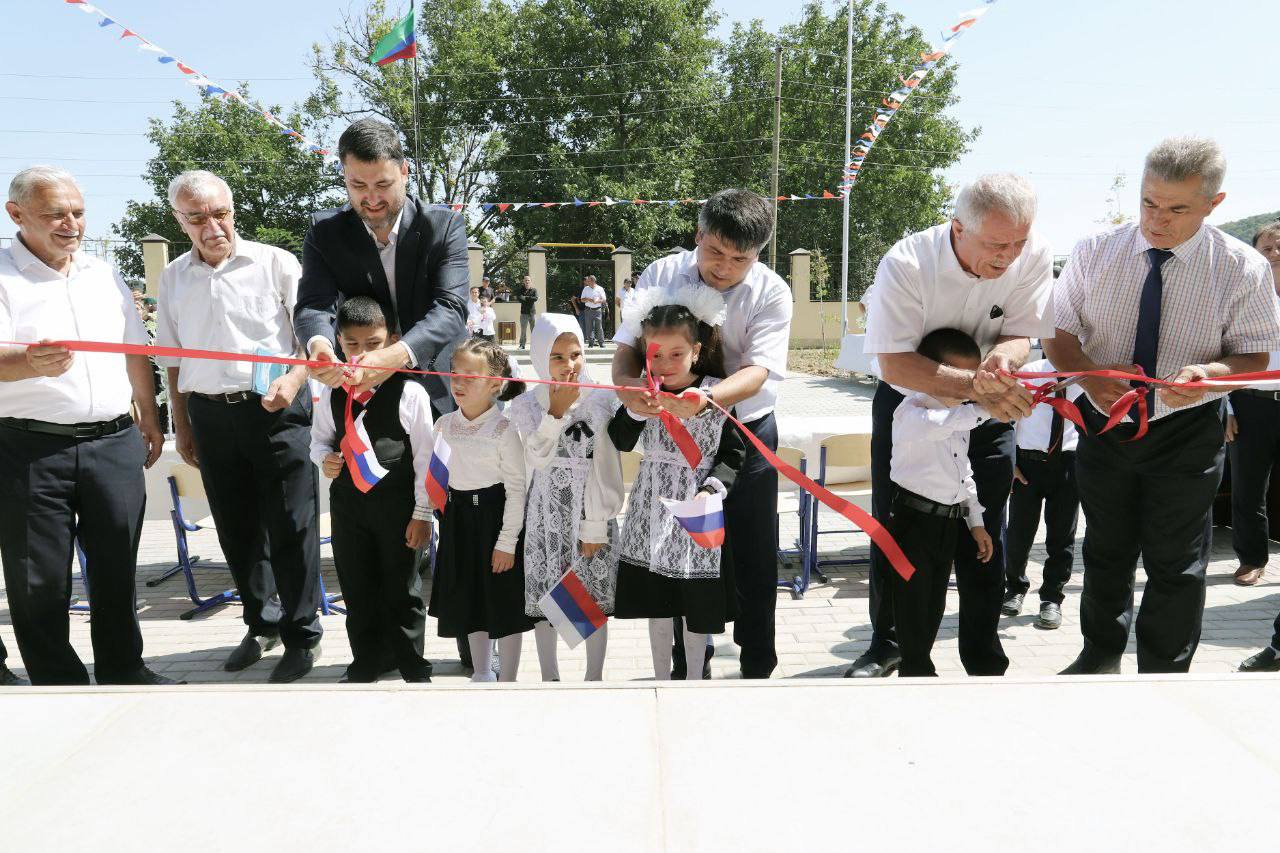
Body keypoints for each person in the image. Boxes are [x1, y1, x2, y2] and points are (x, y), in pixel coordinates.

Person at [1045, 136, 1280, 674]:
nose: (1157, 220)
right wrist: (1088, 375)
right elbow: (1058, 334)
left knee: (1177, 563)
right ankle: (1098, 659)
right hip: (1105, 425)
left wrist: (1209, 376)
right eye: (1149, 203)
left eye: (1177, 209)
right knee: (1105, 552)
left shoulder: (1242, 267)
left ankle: (1165, 672)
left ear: (1213, 204)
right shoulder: (1093, 251)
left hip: (1188, 429)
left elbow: (1252, 357)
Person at [851, 172, 1053, 679]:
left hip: (988, 412)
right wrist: (975, 386)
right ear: (958, 227)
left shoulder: (1033, 254)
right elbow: (894, 363)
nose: (1008, 256)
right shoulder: (907, 263)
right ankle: (889, 644)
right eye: (996, 244)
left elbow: (1020, 333)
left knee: (985, 529)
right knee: (899, 530)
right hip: (911, 410)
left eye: (1018, 243)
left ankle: (984, 655)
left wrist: (1001, 365)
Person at [0, 165, 175, 686]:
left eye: (77, 212)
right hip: (30, 448)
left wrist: (148, 412)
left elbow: (132, 349)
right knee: (40, 579)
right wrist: (29, 362)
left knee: (117, 569)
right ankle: (59, 685)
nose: (71, 224)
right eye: (56, 213)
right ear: (17, 214)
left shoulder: (104, 273)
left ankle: (125, 669)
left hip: (114, 441)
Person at [611, 189, 791, 680]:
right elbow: (628, 350)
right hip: (669, 432)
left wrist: (709, 400)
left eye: (741, 259)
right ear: (698, 236)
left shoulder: (771, 291)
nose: (725, 267)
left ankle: (757, 666)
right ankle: (688, 666)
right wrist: (629, 391)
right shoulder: (662, 274)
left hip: (741, 430)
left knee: (752, 552)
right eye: (715, 251)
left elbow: (759, 372)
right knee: (673, 549)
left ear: (759, 255)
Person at [156, 170, 324, 682]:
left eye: (221, 213)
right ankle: (261, 622)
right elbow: (173, 358)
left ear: (233, 211)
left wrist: (295, 381)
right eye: (198, 217)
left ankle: (302, 634)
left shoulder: (276, 263)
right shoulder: (174, 277)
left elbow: (311, 332)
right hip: (209, 413)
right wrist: (181, 424)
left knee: (292, 523)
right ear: (180, 221)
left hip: (275, 408)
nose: (213, 226)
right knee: (236, 526)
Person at [609, 284, 745, 681]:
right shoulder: (640, 393)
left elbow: (733, 454)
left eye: (676, 354)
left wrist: (712, 490)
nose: (665, 364)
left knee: (696, 603)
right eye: (656, 355)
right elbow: (619, 439)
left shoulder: (713, 394)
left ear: (697, 351)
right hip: (650, 511)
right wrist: (635, 411)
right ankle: (661, 676)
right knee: (658, 602)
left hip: (697, 511)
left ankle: (693, 679)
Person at [295, 117, 468, 415]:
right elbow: (313, 304)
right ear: (344, 177)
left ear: (404, 172)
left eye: (383, 184)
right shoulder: (324, 232)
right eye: (358, 185)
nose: (372, 199)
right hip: (361, 388)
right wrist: (319, 345)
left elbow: (451, 307)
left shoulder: (444, 226)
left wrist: (398, 353)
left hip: (438, 384)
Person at [310, 297, 435, 683]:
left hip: (398, 508)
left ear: (392, 341)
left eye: (373, 344)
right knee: (357, 584)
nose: (362, 354)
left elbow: (425, 459)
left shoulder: (410, 392)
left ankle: (411, 662)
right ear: (338, 342)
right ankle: (366, 660)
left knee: (403, 585)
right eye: (352, 345)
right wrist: (324, 460)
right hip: (349, 506)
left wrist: (422, 514)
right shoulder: (330, 393)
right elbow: (318, 441)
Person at [510, 314, 623, 681]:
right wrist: (556, 411)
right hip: (545, 514)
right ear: (541, 355)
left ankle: (594, 676)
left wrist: (594, 524)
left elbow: (606, 464)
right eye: (557, 356)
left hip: (589, 513)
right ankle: (550, 676)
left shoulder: (602, 399)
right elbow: (537, 456)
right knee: (548, 597)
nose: (568, 364)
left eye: (574, 354)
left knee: (589, 598)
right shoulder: (527, 405)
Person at [889, 328, 995, 677]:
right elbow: (944, 424)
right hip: (912, 522)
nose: (963, 391)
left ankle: (920, 665)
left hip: (948, 523)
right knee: (912, 603)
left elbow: (962, 470)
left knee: (934, 602)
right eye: (958, 381)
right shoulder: (912, 412)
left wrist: (975, 522)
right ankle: (916, 671)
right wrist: (989, 407)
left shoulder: (958, 415)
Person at [427, 337, 532, 682]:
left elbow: (516, 490)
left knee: (503, 599)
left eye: (470, 377)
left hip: (495, 518)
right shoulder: (443, 425)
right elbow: (433, 475)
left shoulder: (504, 430)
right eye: (455, 373)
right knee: (470, 596)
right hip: (458, 520)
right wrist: (426, 512)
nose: (458, 382)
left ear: (494, 384)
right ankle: (482, 672)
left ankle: (510, 676)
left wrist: (506, 541)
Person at [1001, 355, 1082, 630]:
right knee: (1019, 533)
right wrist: (1010, 461)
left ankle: (1052, 598)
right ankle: (1014, 588)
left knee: (1062, 536)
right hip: (1027, 464)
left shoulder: (1087, 376)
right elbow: (1006, 417)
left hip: (1069, 464)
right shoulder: (1029, 373)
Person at [1225, 220, 1280, 587]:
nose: (1275, 254)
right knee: (1248, 487)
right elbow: (1220, 352)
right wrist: (1226, 406)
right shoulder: (1243, 298)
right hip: (1250, 403)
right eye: (1268, 248)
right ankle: (1251, 559)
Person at [580, 274, 607, 347]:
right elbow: (582, 299)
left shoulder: (600, 288)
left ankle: (601, 343)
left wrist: (597, 301)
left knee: (599, 327)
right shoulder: (586, 289)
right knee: (589, 327)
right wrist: (588, 299)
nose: (587, 282)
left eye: (588, 281)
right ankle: (591, 343)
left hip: (597, 310)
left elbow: (604, 299)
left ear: (593, 281)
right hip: (588, 310)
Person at [517, 274, 539, 348]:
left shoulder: (534, 290)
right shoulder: (521, 290)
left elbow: (535, 298)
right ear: (524, 281)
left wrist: (526, 298)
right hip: (523, 313)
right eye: (526, 280)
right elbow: (519, 298)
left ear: (530, 282)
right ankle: (522, 345)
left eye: (528, 280)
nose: (527, 281)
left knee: (534, 330)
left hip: (532, 313)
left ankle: (535, 345)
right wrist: (530, 299)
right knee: (523, 331)